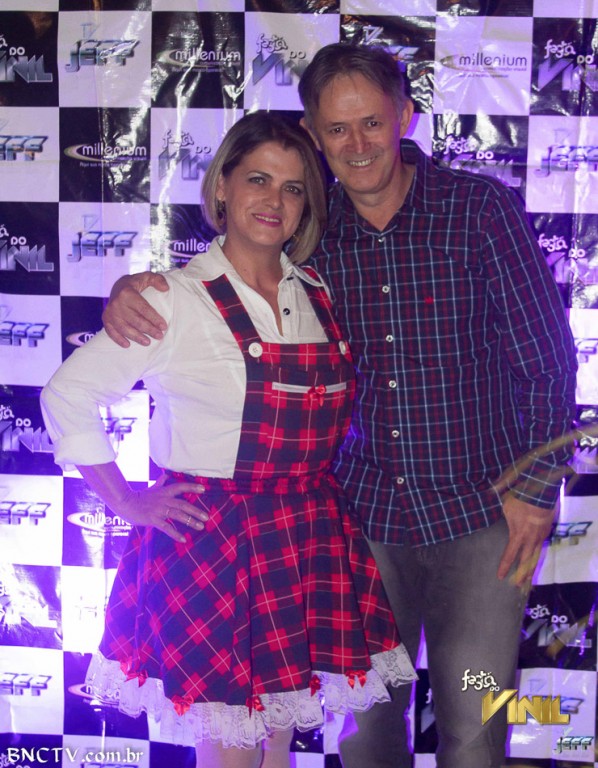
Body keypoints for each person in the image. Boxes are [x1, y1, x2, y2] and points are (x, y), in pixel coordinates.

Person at [101, 45, 578, 768]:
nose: (357, 145)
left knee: (475, 719)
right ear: (314, 133)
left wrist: (537, 492)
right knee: (364, 734)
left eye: (371, 123)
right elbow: (224, 273)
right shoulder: (305, 234)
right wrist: (131, 289)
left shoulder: (479, 211)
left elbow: (547, 360)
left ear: (404, 116)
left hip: (484, 519)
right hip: (359, 527)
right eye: (336, 129)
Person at [40, 111, 415, 768]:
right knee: (232, 748)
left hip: (304, 535)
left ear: (306, 205)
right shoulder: (174, 298)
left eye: (293, 188)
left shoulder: (317, 292)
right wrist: (125, 499)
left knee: (277, 738)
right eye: (258, 180)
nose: (274, 200)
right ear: (222, 187)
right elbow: (67, 395)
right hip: (213, 543)